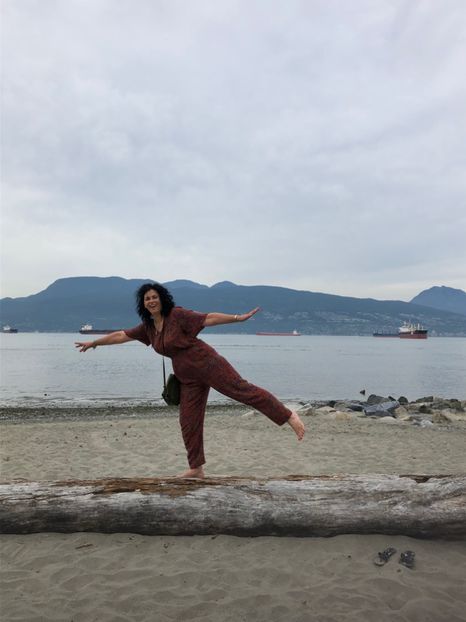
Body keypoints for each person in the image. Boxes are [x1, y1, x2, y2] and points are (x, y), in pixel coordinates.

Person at [75, 282, 305, 478]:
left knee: (242, 390)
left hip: (208, 363)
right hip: (187, 378)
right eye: (147, 298)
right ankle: (196, 468)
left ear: (162, 299)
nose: (151, 301)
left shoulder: (177, 315)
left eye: (154, 297)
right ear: (143, 304)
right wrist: (94, 343)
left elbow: (208, 318)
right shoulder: (148, 328)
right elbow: (120, 335)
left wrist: (238, 318)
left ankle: (288, 415)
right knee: (188, 421)